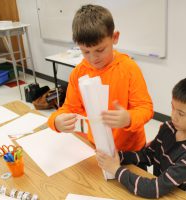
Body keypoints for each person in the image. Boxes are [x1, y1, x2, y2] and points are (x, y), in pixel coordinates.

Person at [47, 4, 153, 152]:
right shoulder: (78, 73)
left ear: (114, 37)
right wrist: (56, 121)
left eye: (100, 50)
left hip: (131, 150)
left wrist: (128, 118)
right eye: (86, 52)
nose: (93, 58)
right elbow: (70, 108)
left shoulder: (129, 68)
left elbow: (145, 108)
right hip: (97, 147)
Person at [96, 74, 186, 199]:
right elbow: (149, 155)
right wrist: (119, 157)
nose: (173, 116)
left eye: (181, 113)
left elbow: (155, 188)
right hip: (166, 192)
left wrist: (116, 170)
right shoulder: (169, 127)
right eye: (173, 108)